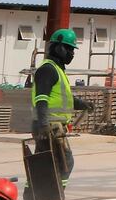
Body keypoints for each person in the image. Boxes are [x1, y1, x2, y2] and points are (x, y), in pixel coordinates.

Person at [30, 28, 89, 186]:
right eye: (69, 49)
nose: (72, 53)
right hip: (49, 125)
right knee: (64, 162)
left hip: (52, 125)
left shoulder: (57, 70)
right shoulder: (48, 69)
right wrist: (43, 124)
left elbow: (64, 99)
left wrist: (83, 105)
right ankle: (52, 194)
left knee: (46, 163)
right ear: (58, 47)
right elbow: (41, 99)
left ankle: (37, 196)